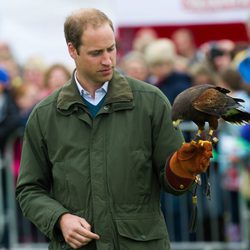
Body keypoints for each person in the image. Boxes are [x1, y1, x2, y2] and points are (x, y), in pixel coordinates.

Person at [16, 8, 212, 250]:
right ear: (72, 50)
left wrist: (182, 170)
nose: (108, 60)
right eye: (96, 53)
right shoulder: (44, 115)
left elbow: (174, 183)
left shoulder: (150, 102)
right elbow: (29, 190)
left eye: (111, 48)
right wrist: (59, 219)